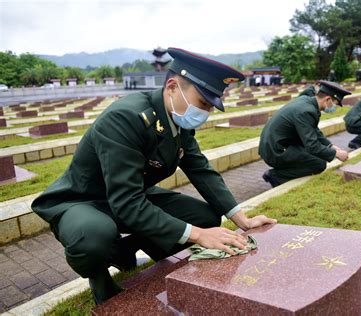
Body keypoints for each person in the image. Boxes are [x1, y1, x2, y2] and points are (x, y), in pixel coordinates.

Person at [31, 47, 276, 304]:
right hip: (85, 201)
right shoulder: (125, 118)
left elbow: (200, 169)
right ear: (172, 87)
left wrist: (241, 219)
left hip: (130, 196)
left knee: (205, 217)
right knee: (93, 239)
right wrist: (199, 235)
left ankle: (133, 250)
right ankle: (102, 277)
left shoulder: (177, 120)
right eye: (202, 103)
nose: (205, 113)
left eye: (210, 106)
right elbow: (126, 201)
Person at [259, 81, 352, 187]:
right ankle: (276, 175)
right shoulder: (306, 111)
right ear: (328, 99)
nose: (335, 108)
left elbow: (314, 131)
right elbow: (312, 146)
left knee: (316, 156)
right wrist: (336, 154)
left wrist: (331, 146)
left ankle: (284, 169)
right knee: (319, 164)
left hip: (278, 144)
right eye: (335, 104)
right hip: (275, 151)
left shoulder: (307, 102)